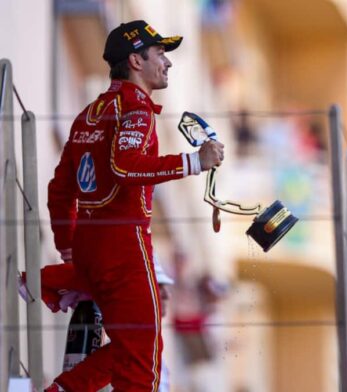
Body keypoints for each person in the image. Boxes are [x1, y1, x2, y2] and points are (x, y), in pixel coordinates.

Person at [45, 20, 224, 392]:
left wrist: (68, 247)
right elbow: (124, 166)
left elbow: (61, 188)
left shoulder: (89, 113)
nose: (168, 62)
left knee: (129, 349)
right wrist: (195, 161)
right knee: (144, 363)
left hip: (91, 246)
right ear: (135, 61)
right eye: (160, 53)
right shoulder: (136, 108)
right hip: (125, 244)